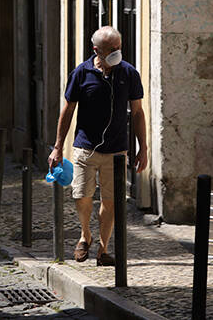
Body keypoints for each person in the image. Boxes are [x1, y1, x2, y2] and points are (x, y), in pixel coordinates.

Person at [48, 26, 147, 266]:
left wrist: (143, 147)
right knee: (82, 195)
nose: (115, 53)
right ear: (96, 50)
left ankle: (103, 249)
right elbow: (68, 110)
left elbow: (137, 112)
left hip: (116, 150)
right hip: (85, 148)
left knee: (111, 201)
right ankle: (85, 235)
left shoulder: (129, 74)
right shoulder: (81, 73)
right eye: (110, 50)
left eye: (118, 48)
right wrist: (58, 147)